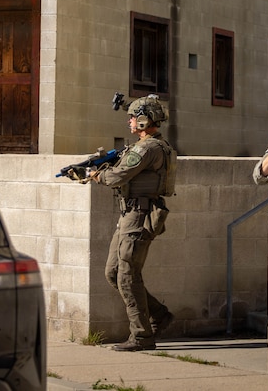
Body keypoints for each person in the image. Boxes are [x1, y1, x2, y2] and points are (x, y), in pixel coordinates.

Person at [90, 95, 176, 351]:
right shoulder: (146, 146)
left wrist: (96, 175)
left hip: (139, 216)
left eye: (133, 117)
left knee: (127, 275)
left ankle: (141, 336)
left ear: (143, 120)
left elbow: (118, 176)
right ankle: (159, 315)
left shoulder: (148, 148)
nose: (129, 121)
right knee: (114, 273)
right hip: (130, 214)